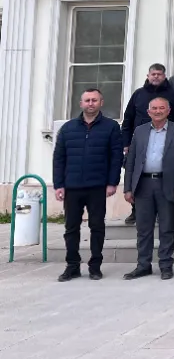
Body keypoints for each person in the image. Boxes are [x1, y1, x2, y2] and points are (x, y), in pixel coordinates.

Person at [52, 88, 123, 282]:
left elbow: (116, 157)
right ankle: (72, 266)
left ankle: (95, 266)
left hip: (97, 186)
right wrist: (59, 184)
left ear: (101, 103)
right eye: (87, 100)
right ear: (81, 103)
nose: (91, 103)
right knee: (71, 228)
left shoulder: (111, 127)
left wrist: (112, 182)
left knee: (97, 227)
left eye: (94, 100)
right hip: (72, 186)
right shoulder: (68, 128)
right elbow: (59, 158)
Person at [122, 97, 174, 280]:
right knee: (143, 228)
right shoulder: (140, 131)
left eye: (162, 108)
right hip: (143, 185)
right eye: (154, 108)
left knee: (167, 227)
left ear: (168, 111)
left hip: (167, 184)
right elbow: (131, 161)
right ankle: (143, 265)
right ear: (148, 112)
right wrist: (128, 188)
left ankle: (166, 265)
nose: (158, 111)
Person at [122, 64, 174, 225]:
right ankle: (135, 210)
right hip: (140, 143)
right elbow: (128, 119)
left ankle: (164, 212)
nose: (156, 76)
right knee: (138, 176)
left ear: (164, 76)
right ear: (148, 76)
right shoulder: (138, 94)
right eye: (153, 74)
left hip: (167, 141)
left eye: (159, 74)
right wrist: (126, 143)